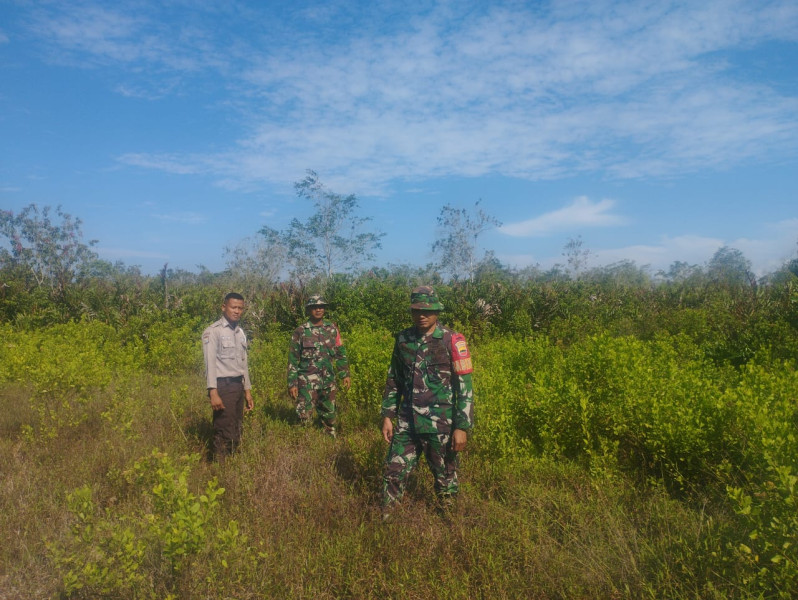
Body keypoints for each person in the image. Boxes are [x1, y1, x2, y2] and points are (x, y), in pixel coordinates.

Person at [380, 286, 474, 517]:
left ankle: (450, 522)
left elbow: (465, 386)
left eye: (427, 311)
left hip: (440, 424)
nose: (421, 316)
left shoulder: (452, 340)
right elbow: (394, 379)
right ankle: (387, 522)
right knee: (393, 472)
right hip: (407, 422)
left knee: (445, 479)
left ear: (437, 312)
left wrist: (461, 427)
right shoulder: (403, 340)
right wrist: (387, 416)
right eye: (416, 311)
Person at [287, 295, 351, 438]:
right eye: (314, 307)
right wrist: (292, 383)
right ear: (309, 310)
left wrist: (344, 374)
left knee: (329, 415)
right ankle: (305, 445)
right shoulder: (301, 331)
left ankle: (329, 442)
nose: (318, 309)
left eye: (321, 306)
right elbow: (293, 359)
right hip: (306, 382)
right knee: (304, 416)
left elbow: (340, 353)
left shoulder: (332, 329)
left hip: (328, 380)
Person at [202, 292, 254, 460]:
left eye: (240, 308)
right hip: (223, 386)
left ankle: (231, 462)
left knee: (236, 426)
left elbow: (243, 363)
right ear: (224, 307)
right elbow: (210, 364)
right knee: (224, 427)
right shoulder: (213, 331)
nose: (237, 311)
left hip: (238, 385)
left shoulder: (240, 333)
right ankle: (219, 467)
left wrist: (247, 390)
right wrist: (213, 391)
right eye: (233, 307)